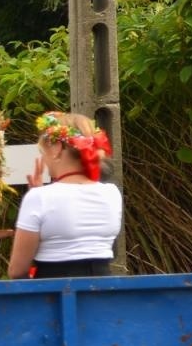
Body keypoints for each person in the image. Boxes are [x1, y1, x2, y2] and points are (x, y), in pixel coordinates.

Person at [8, 111, 120, 279]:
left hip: (54, 298)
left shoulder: (39, 198)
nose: (43, 159)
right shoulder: (111, 193)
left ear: (57, 148)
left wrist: (37, 196)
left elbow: (17, 271)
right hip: (101, 298)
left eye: (43, 151)